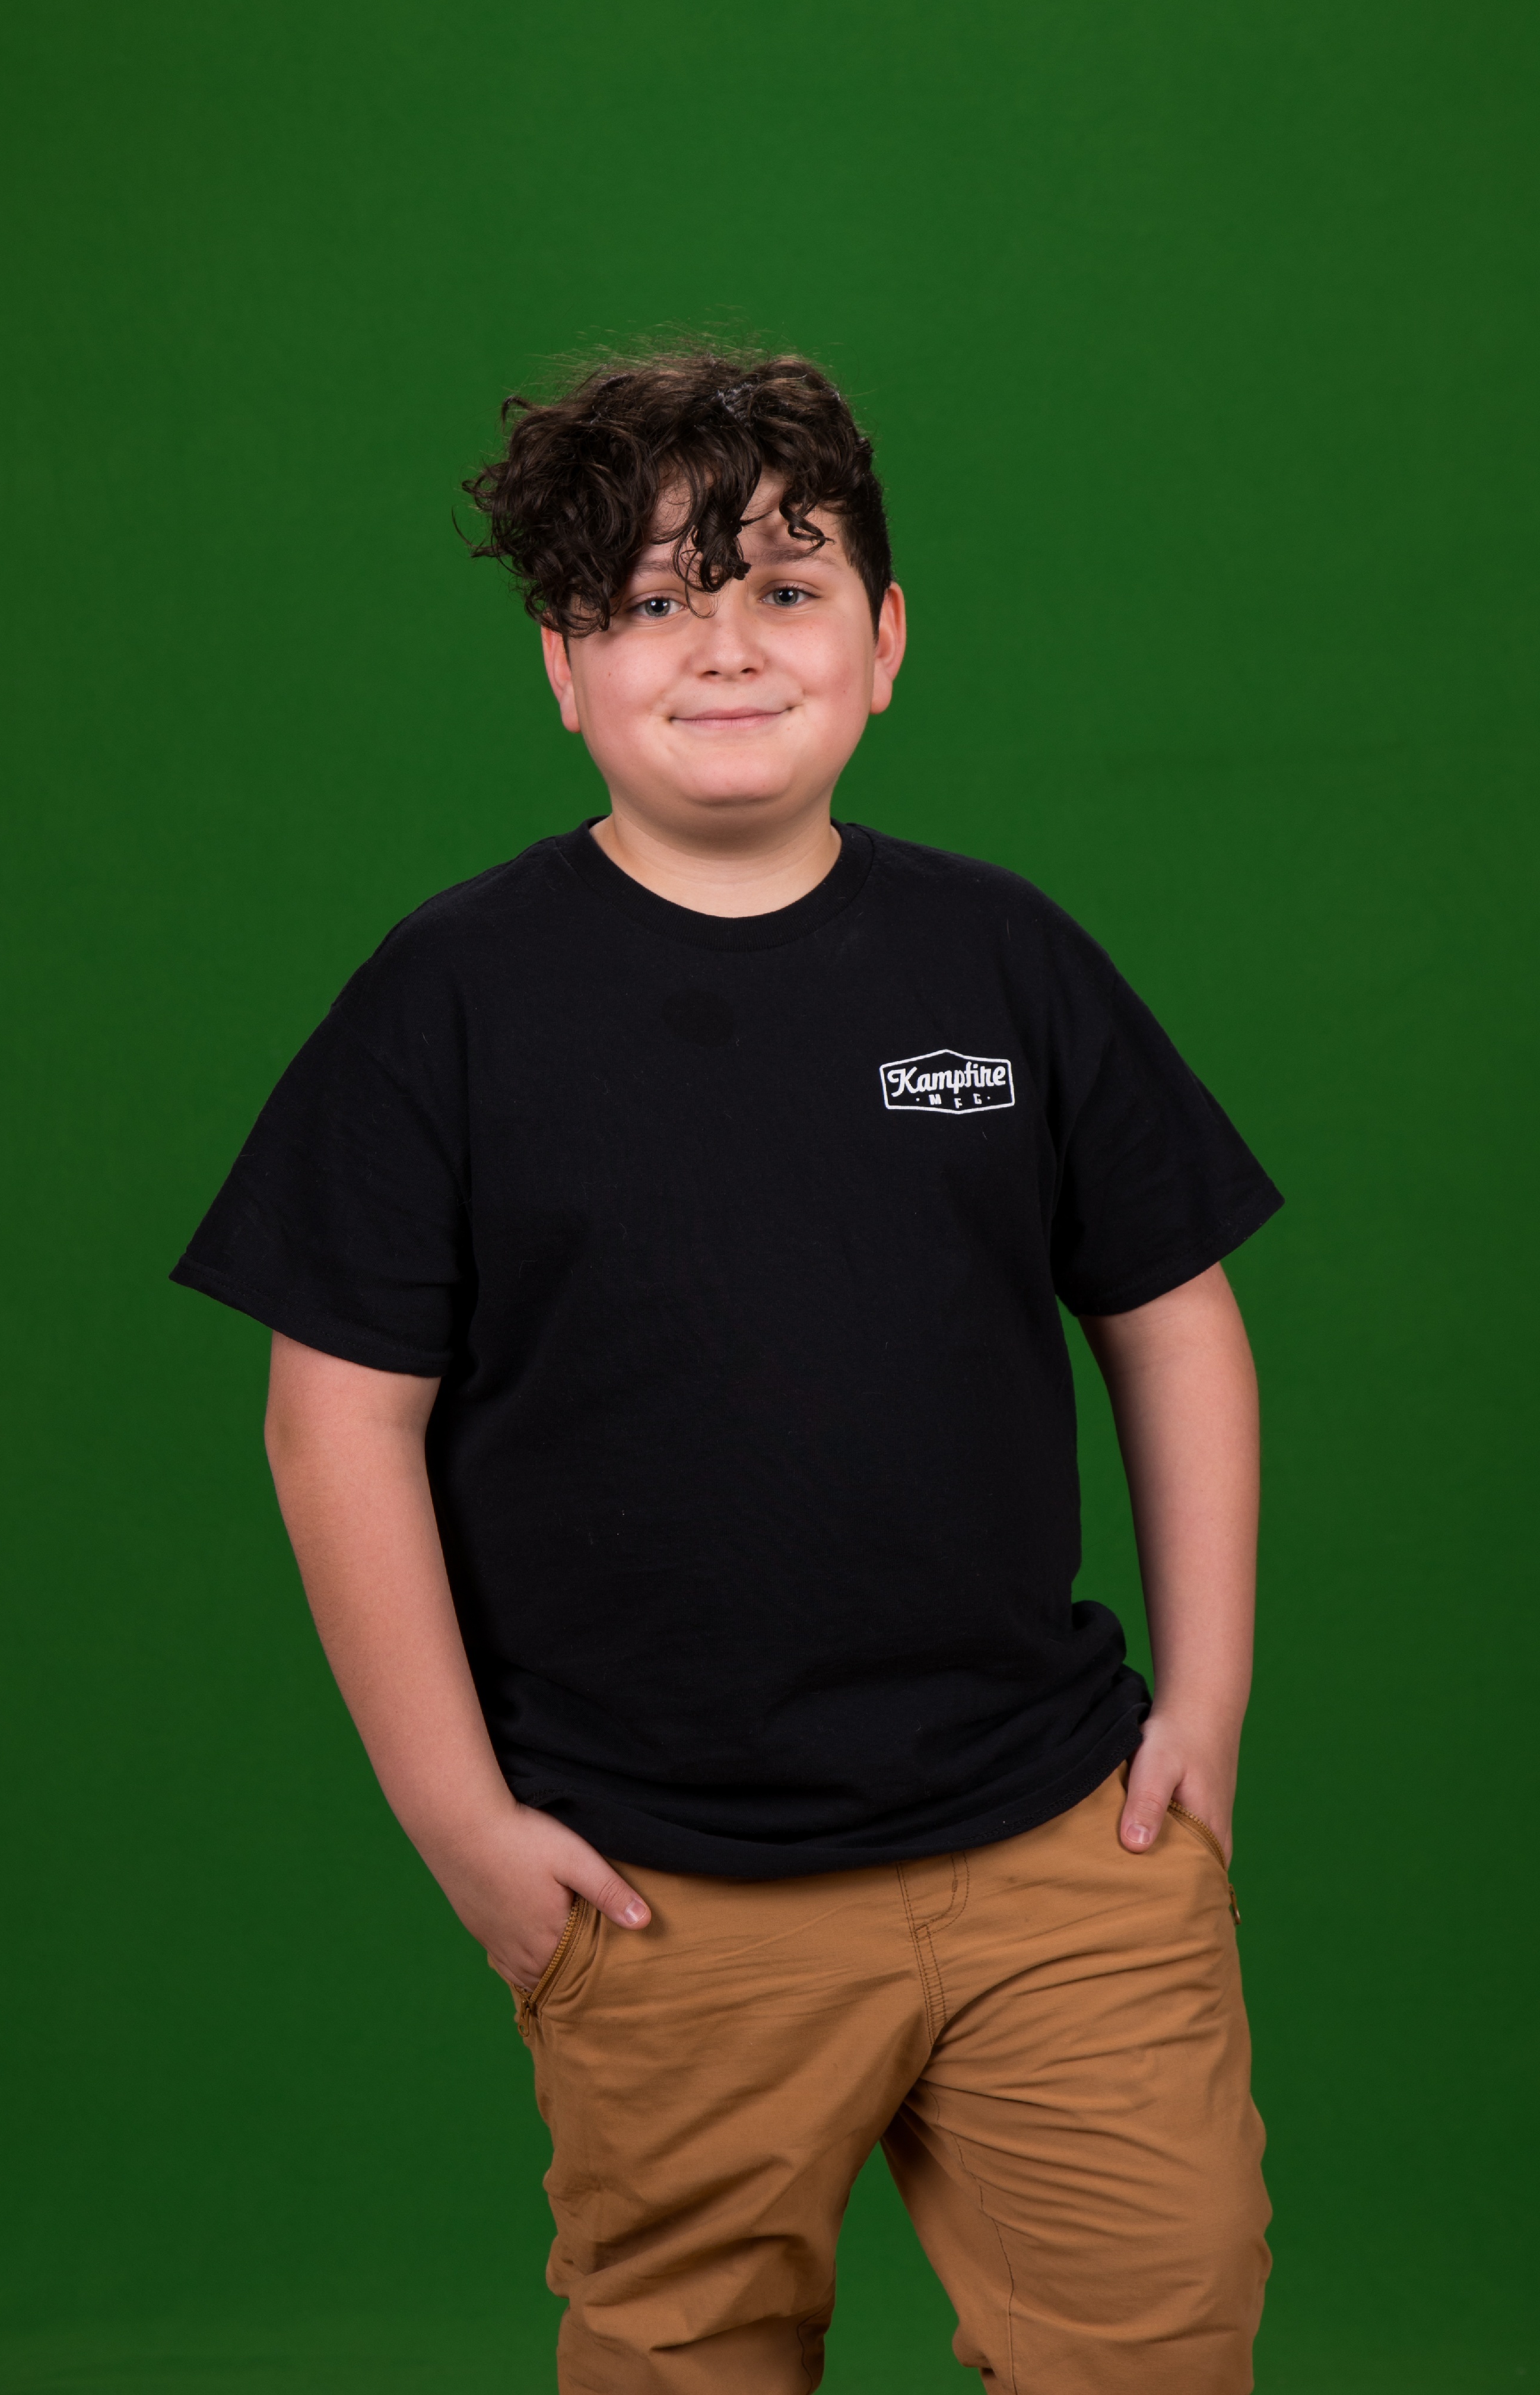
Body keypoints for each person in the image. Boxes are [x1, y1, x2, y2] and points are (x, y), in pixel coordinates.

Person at [172, 348, 1279, 2394]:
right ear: (561, 668)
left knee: (1160, 2325)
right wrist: (460, 1821)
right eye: (653, 600)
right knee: (690, 2352)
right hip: (665, 1889)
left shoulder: (1006, 960)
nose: (728, 645)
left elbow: (1174, 1310)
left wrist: (1203, 1698)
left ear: (887, 640)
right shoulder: (451, 997)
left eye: (786, 586)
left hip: (1058, 1839)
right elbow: (335, 1419)